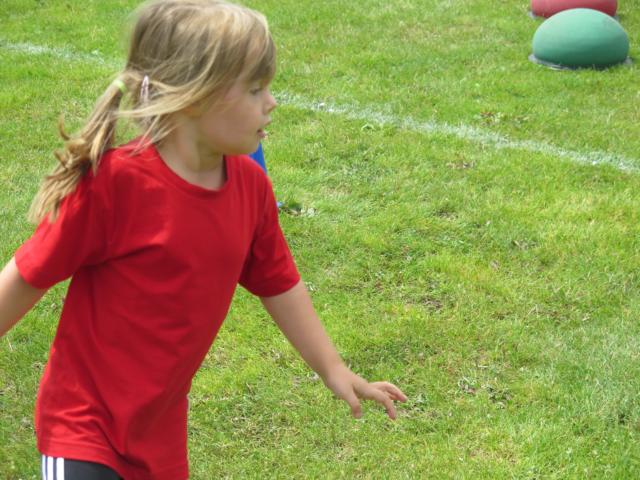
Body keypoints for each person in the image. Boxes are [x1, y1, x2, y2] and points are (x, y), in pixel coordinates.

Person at [0, 1, 407, 479]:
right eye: (255, 89)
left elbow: (280, 283)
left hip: (160, 438)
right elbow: (27, 275)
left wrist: (333, 368)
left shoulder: (251, 189)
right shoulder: (116, 184)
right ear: (195, 97)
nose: (272, 102)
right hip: (84, 427)